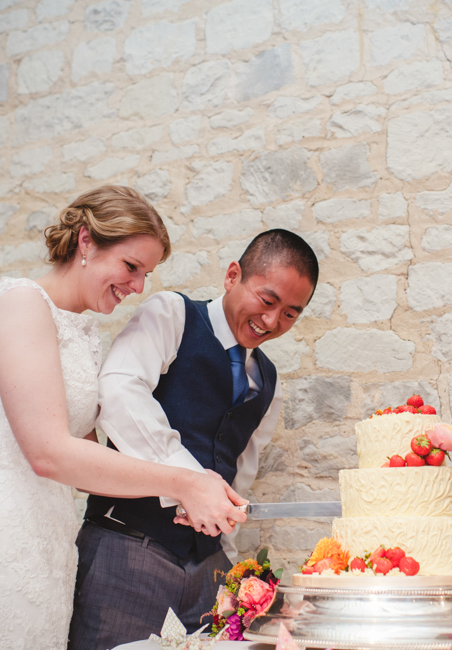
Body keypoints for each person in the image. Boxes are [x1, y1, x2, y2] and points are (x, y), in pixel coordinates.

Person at [0, 186, 246, 650]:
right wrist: (183, 482)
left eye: (146, 273)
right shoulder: (21, 304)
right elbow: (47, 454)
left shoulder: (83, 331)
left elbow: (85, 464)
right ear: (86, 241)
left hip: (51, 558)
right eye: (131, 266)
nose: (139, 286)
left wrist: (192, 498)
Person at [68, 229, 319, 649]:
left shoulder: (269, 379)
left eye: (291, 314)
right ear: (233, 275)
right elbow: (118, 393)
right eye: (267, 300)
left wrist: (226, 550)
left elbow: (242, 468)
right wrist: (190, 484)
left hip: (210, 571)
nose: (272, 321)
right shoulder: (172, 314)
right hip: (126, 547)